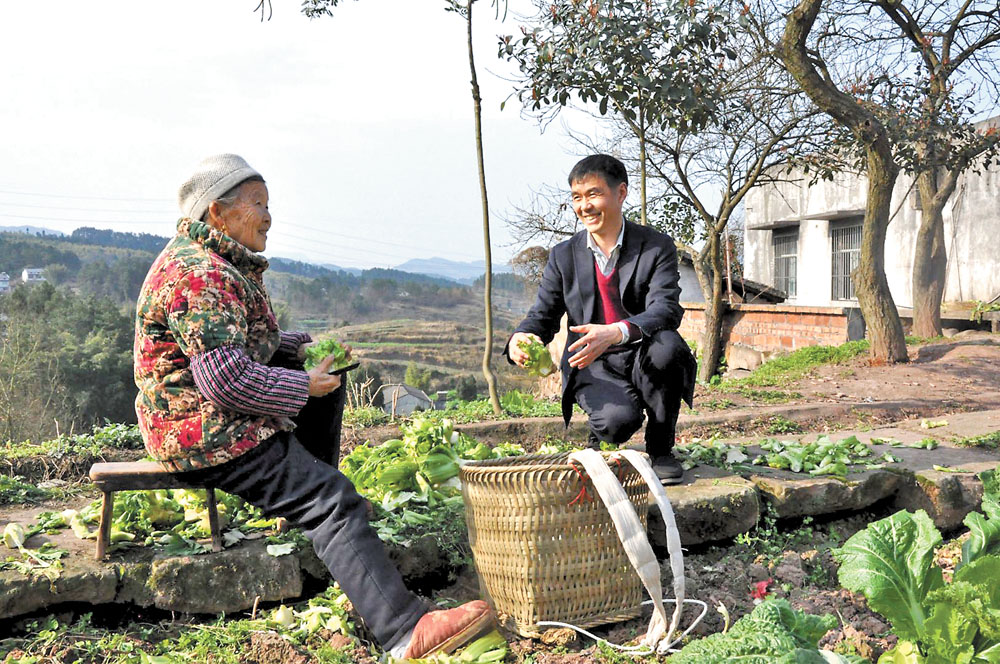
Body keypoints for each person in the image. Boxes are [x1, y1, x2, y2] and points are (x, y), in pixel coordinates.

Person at [133, 154, 492, 659]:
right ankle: (405, 632)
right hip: (201, 431)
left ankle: (307, 507)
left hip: (204, 418)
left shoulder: (215, 262)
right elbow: (226, 382)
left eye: (267, 203)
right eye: (256, 204)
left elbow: (243, 344)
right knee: (331, 498)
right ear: (217, 213)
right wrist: (301, 385)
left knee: (329, 383)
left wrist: (304, 353)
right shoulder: (199, 277)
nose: (268, 216)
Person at [506, 154, 696, 484]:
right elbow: (543, 314)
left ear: (621, 193)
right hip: (591, 362)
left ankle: (662, 447)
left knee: (668, 346)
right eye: (577, 198)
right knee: (617, 422)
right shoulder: (563, 255)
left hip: (642, 352)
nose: (585, 206)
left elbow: (666, 308)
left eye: (594, 194)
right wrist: (522, 338)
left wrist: (615, 332)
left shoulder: (656, 247)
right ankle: (603, 432)